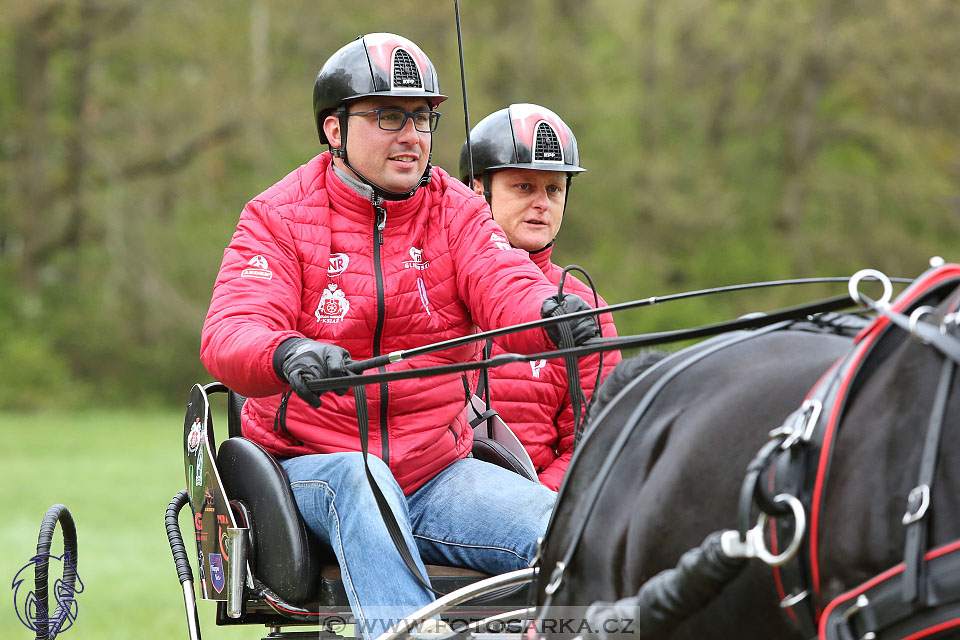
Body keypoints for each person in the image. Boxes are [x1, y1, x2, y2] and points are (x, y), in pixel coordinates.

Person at [199, 34, 599, 637]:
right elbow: (231, 330)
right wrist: (287, 352)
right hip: (313, 466)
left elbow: (504, 284)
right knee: (366, 479)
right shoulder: (277, 216)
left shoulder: (457, 210)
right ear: (334, 130)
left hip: (439, 470)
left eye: (422, 118)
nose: (412, 135)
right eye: (389, 116)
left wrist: (548, 311)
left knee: (567, 533)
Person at [460, 104, 622, 490]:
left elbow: (592, 438)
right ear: (477, 188)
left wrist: (532, 505)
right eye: (524, 187)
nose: (542, 203)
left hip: (537, 512)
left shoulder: (586, 308)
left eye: (553, 189)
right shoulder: (428, 284)